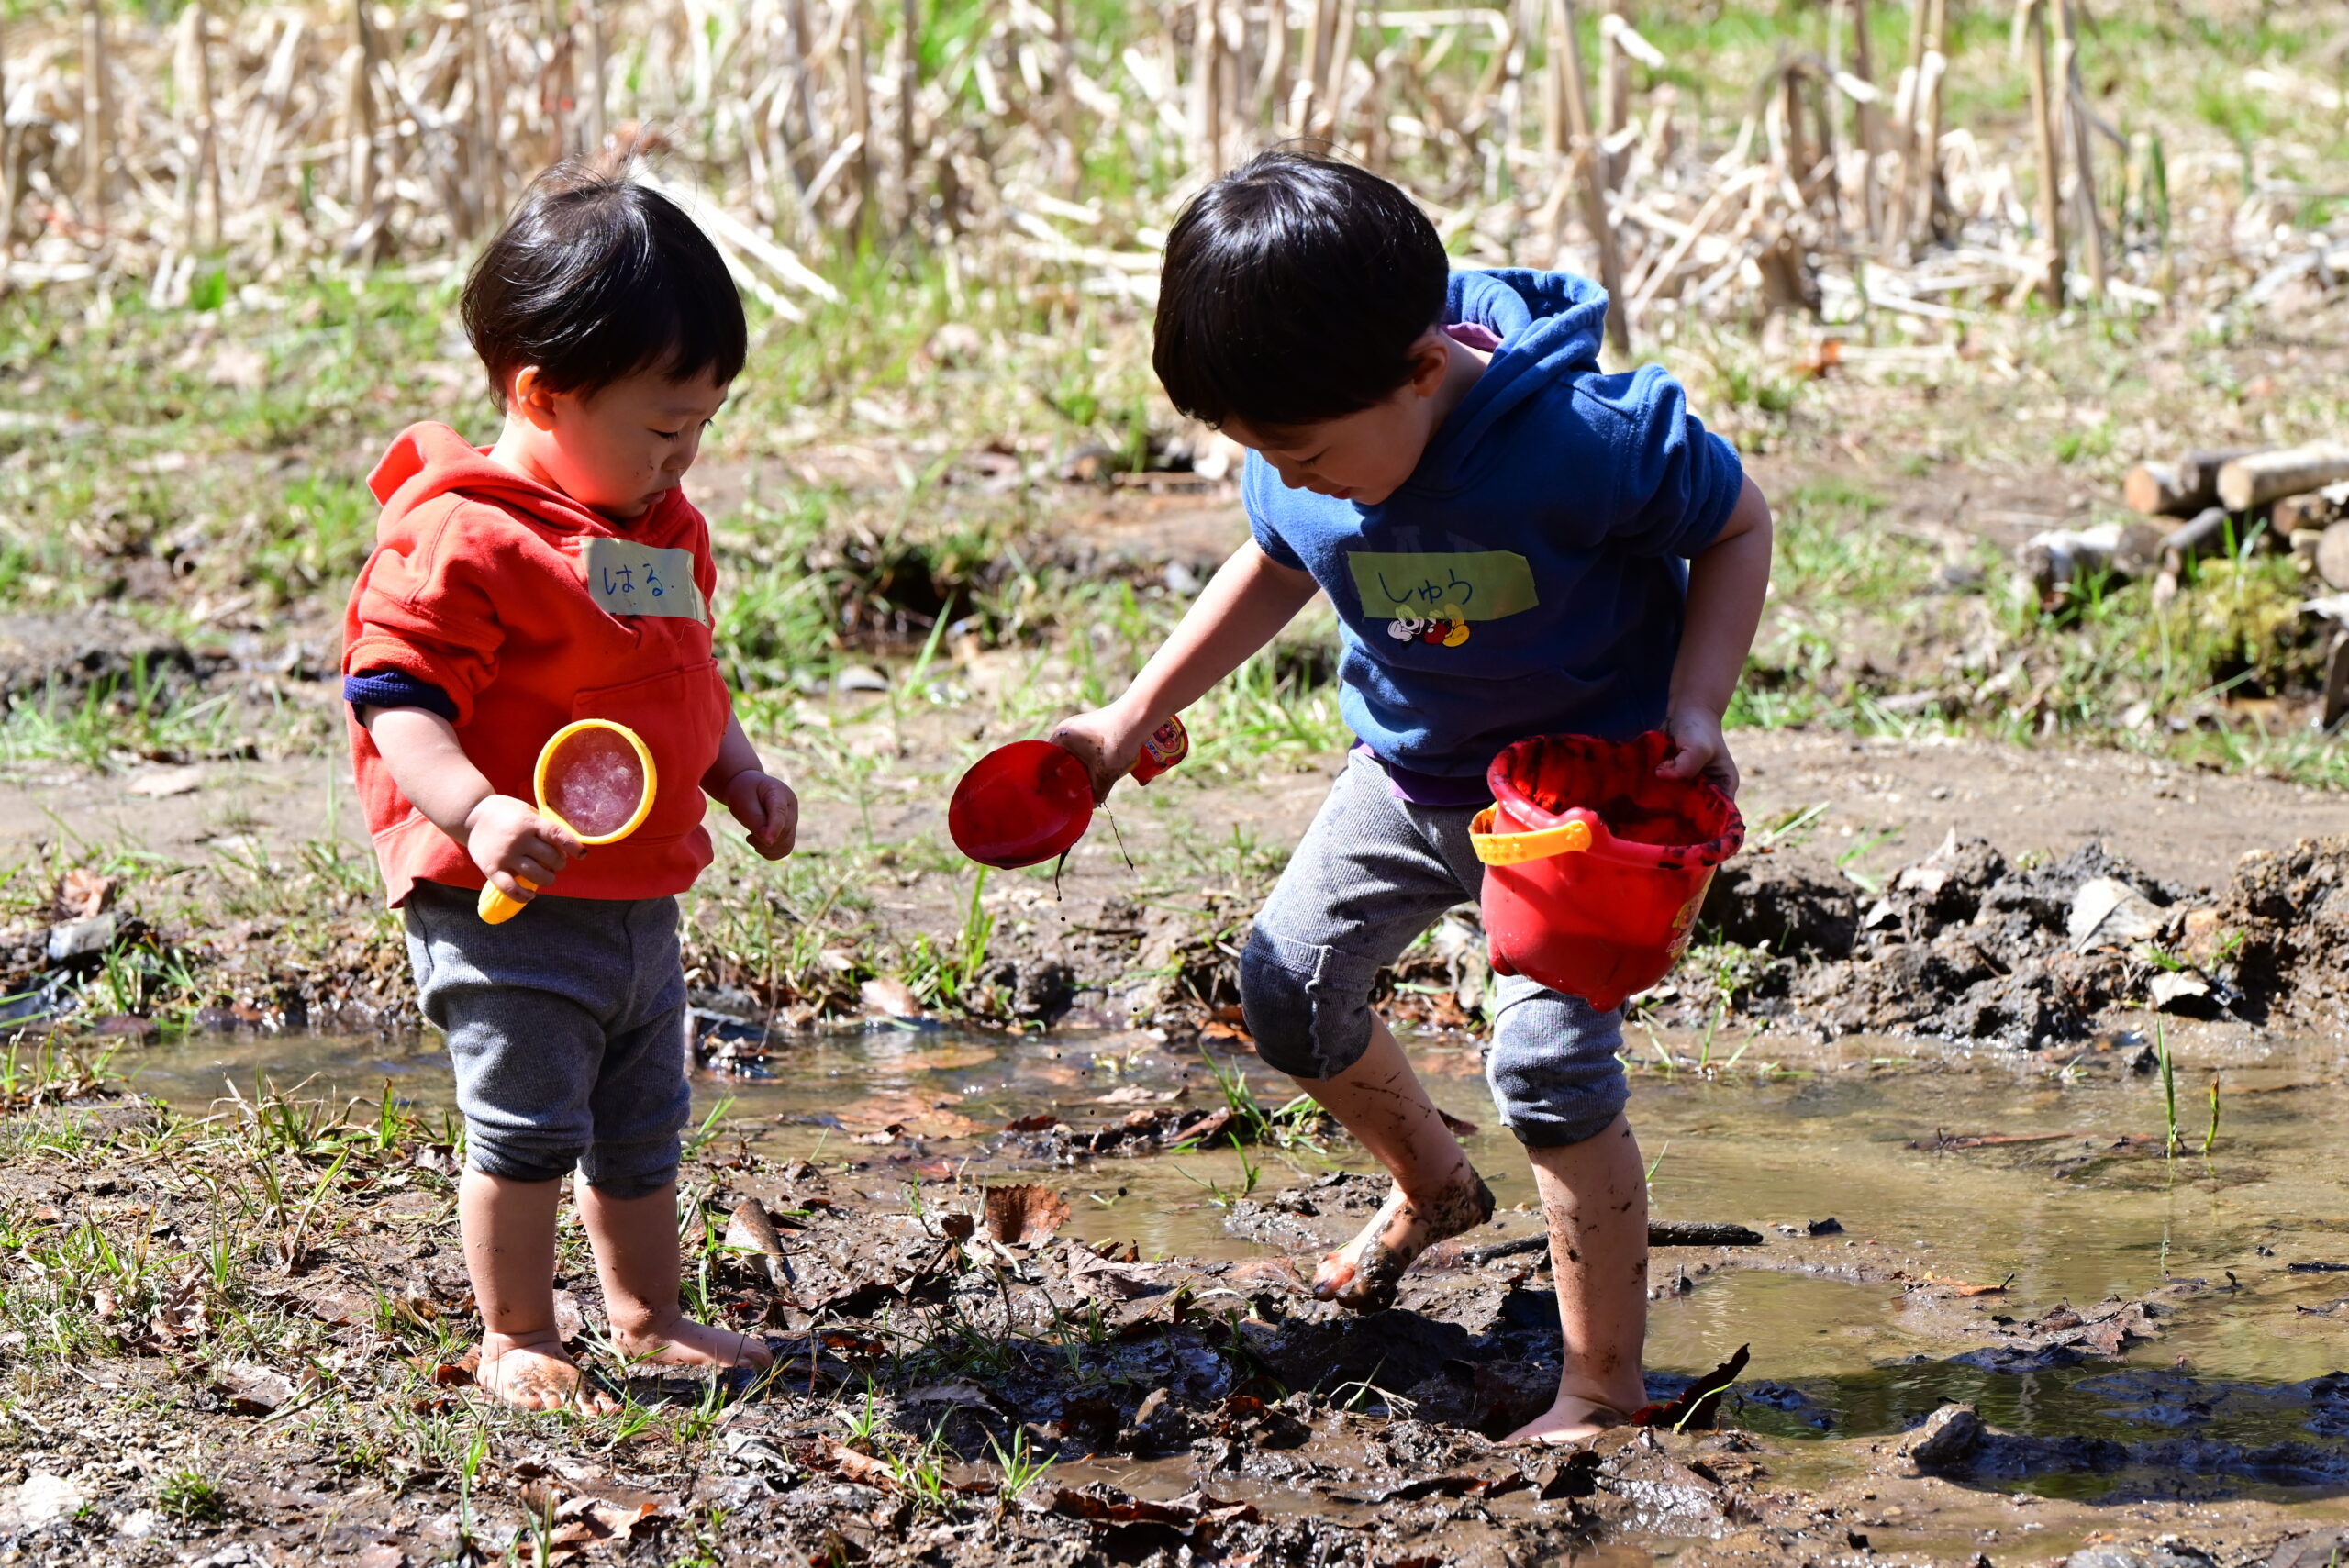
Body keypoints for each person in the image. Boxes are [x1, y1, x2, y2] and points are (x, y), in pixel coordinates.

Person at [1051, 149, 1774, 1445]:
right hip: (1406, 773)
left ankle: (1602, 1387)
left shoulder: (1576, 442)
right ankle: (1435, 1186)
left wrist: (1698, 706)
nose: (1291, 471)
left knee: (1547, 1061)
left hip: (1571, 811)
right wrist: (1132, 710)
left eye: (1306, 449)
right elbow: (1277, 559)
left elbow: (1734, 522)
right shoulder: (1306, 438)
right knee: (1283, 986)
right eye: (1260, 449)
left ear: (1425, 370)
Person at [340, 150, 795, 1411]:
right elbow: (394, 699)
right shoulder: (469, 534)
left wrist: (739, 771)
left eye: (703, 425)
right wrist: (478, 809)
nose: (684, 457)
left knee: (644, 1126)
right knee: (528, 1130)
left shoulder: (661, 531)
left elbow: (684, 677)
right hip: (512, 904)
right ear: (540, 392)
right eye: (662, 427)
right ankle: (517, 1332)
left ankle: (647, 1315)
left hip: (638, 898)